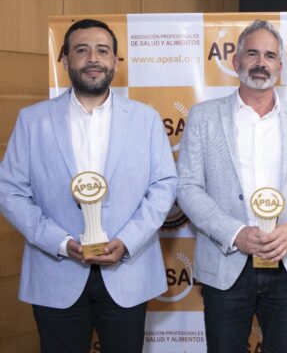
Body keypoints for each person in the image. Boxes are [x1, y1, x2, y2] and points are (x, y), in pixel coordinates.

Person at [0, 19, 178, 352]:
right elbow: (10, 192)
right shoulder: (32, 120)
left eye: (102, 51)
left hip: (127, 270)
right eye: (81, 50)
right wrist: (62, 242)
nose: (92, 59)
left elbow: (164, 185)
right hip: (56, 270)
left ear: (115, 61)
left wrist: (126, 241)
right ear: (65, 60)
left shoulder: (146, 119)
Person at [176, 19, 287, 352]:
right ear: (236, 62)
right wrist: (235, 233)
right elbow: (188, 187)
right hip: (226, 262)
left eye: (270, 56)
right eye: (252, 54)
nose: (261, 63)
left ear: (280, 66)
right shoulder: (203, 117)